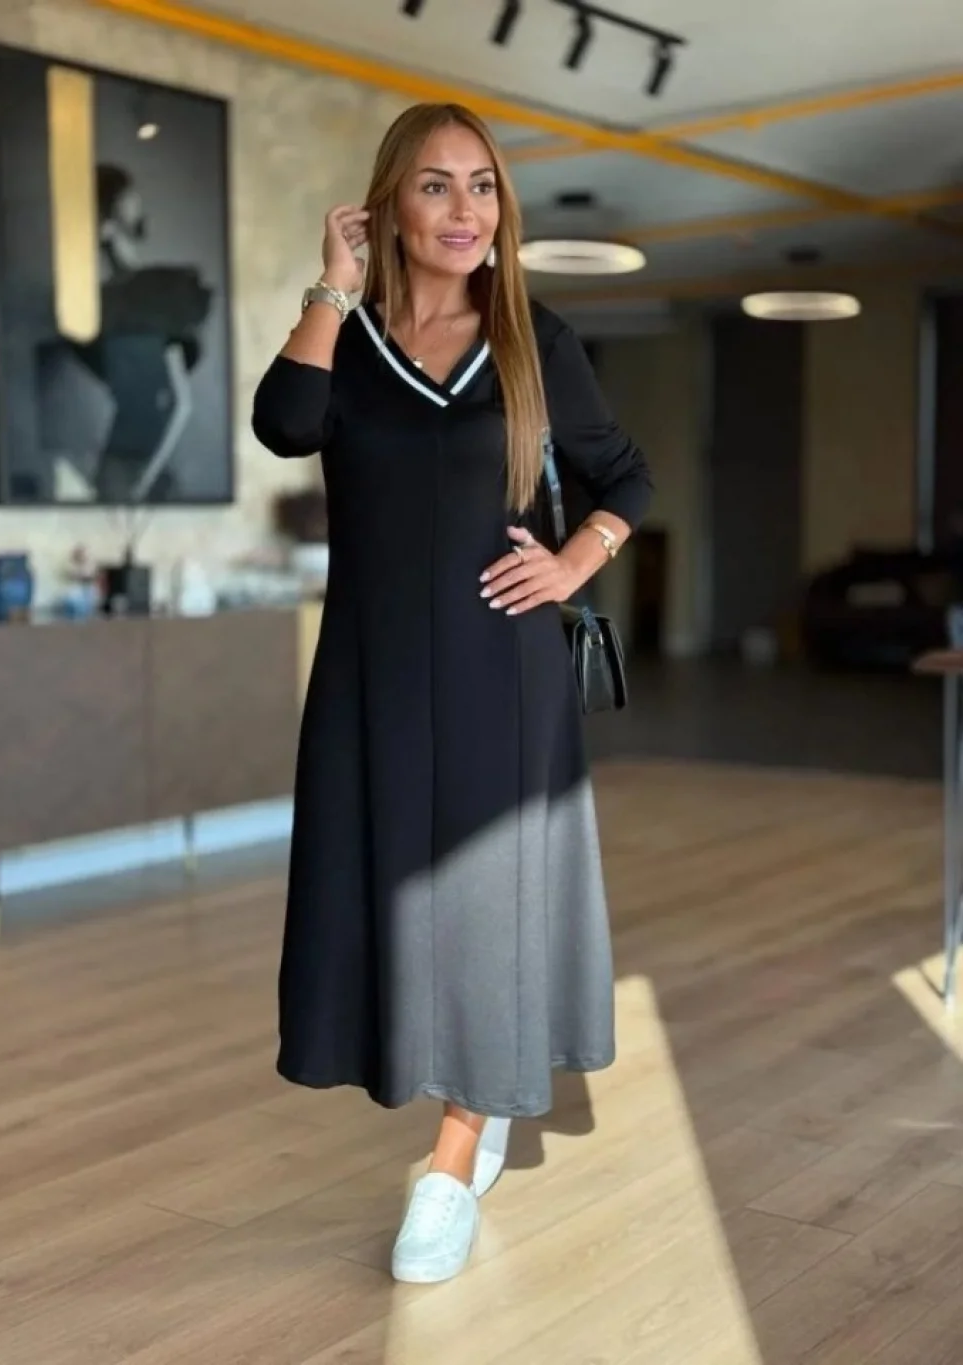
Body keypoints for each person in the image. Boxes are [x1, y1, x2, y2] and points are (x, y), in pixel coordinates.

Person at [251, 102, 653, 1285]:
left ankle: (457, 1150)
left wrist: (572, 562)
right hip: (367, 674)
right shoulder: (349, 342)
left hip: (500, 673)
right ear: (387, 205)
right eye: (435, 185)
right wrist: (331, 290)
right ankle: (464, 1099)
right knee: (377, 894)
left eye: (482, 186)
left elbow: (621, 474)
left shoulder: (534, 339)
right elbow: (282, 426)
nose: (464, 210)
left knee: (485, 904)